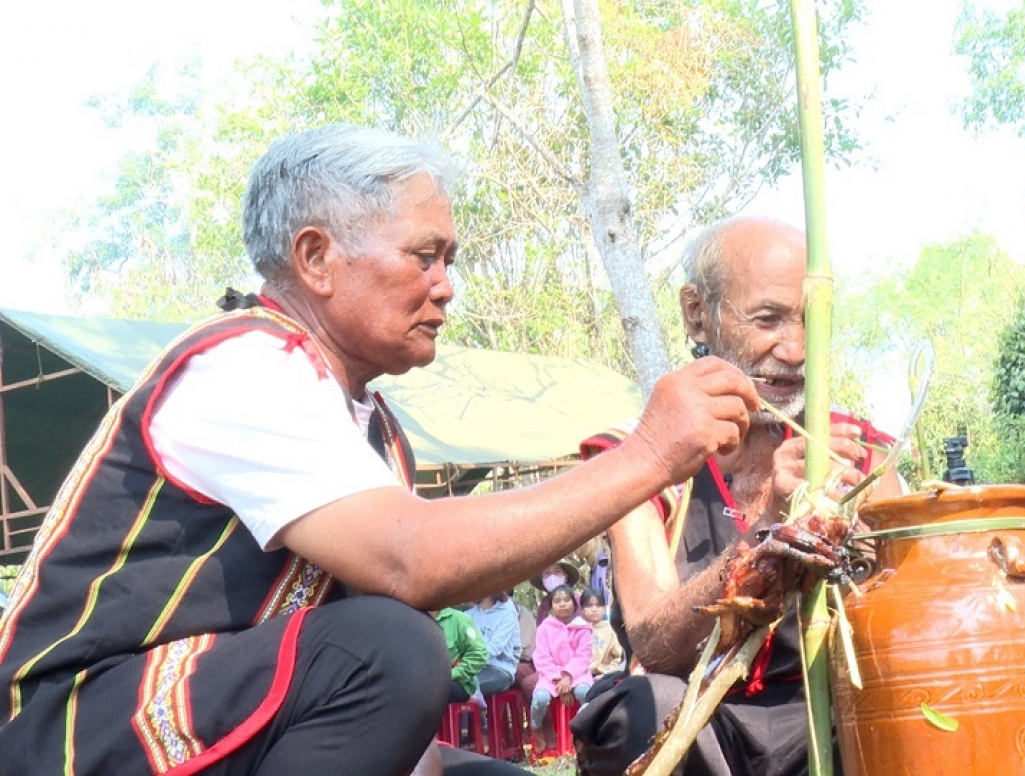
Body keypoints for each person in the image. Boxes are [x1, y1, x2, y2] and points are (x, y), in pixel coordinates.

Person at [0, 124, 761, 776]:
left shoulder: (370, 428)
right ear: (316, 257)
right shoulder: (242, 367)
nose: (447, 286)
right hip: (71, 736)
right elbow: (409, 566)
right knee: (390, 644)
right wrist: (648, 455)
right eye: (424, 256)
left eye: (449, 259)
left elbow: (363, 689)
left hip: (216, 725)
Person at [571, 215, 904, 776]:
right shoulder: (641, 456)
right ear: (698, 312)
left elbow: (904, 612)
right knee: (640, 706)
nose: (795, 350)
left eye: (810, 324)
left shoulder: (858, 452)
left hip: (826, 720)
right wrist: (769, 529)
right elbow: (655, 642)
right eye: (768, 319)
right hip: (695, 727)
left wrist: (862, 547)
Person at [530, 584, 593, 753]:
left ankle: (584, 734)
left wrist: (568, 677)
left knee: (585, 694)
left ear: (574, 603)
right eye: (557, 601)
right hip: (550, 676)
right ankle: (537, 730)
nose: (562, 604)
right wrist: (559, 679)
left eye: (566, 600)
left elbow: (583, 656)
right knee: (540, 699)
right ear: (550, 606)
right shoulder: (544, 629)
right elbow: (541, 658)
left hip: (578, 675)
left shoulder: (583, 628)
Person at [466, 591, 521, 703]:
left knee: (464, 687)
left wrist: (469, 659)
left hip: (500, 671)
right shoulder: (468, 615)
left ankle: (480, 718)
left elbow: (495, 648)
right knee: (448, 686)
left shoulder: (507, 614)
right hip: (472, 669)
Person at [431, 607, 489, 703]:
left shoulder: (460, 619)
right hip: (423, 682)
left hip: (455, 682)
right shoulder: (413, 620)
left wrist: (453, 674)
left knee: (427, 692)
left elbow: (479, 654)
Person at [581, 587, 625, 680]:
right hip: (580, 678)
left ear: (604, 609)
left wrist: (606, 673)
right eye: (589, 606)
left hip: (604, 676)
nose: (594, 609)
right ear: (582, 610)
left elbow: (618, 658)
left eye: (598, 605)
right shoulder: (578, 630)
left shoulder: (611, 630)